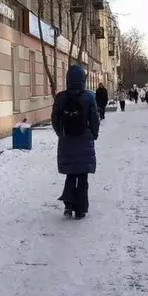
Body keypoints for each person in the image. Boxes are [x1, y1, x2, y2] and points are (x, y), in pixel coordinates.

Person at [52, 64, 100, 220]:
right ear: (83, 80)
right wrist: (93, 134)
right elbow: (94, 119)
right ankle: (81, 209)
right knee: (83, 177)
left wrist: (61, 133)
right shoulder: (89, 97)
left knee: (71, 175)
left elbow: (55, 119)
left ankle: (68, 205)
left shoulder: (60, 97)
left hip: (67, 141)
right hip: (84, 140)